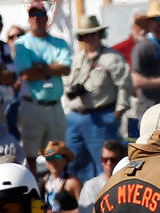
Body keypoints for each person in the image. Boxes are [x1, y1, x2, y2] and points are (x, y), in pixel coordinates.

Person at [63, 15, 132, 184]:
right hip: (76, 117)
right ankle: (81, 202)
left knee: (105, 164)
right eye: (85, 35)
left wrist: (118, 111)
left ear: (100, 35)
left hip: (102, 116)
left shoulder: (112, 58)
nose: (89, 38)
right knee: (74, 162)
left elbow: (124, 85)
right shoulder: (76, 58)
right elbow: (66, 83)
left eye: (93, 34)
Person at [12, 2, 71, 173]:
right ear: (29, 19)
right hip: (33, 105)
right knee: (30, 152)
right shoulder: (22, 43)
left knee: (57, 151)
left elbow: (66, 68)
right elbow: (26, 73)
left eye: (39, 14)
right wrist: (53, 68)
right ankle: (35, 186)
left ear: (46, 18)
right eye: (32, 15)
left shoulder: (59, 42)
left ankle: (55, 184)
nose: (36, 18)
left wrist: (40, 67)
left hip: (55, 105)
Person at [78, 139, 126, 213]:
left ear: (121, 160)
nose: (108, 164)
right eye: (105, 160)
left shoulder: (127, 184)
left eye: (113, 160)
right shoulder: (91, 185)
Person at [40, 140, 81, 213]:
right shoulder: (44, 182)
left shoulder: (72, 182)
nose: (53, 161)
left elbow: (84, 211)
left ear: (65, 160)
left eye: (57, 157)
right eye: (49, 158)